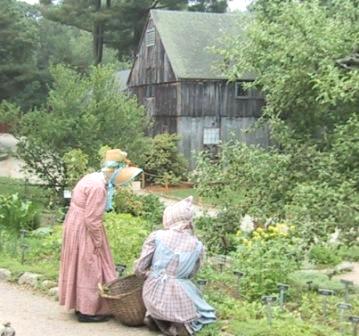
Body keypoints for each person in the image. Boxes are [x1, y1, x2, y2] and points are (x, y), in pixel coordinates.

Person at [59, 149, 142, 322]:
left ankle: (80, 305)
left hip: (75, 223)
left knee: (81, 264)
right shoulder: (98, 187)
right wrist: (98, 241)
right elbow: (91, 219)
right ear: (116, 171)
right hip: (84, 227)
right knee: (91, 265)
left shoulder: (91, 177)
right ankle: (88, 311)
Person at [135, 196, 216, 335]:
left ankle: (156, 319)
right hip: (179, 291)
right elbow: (191, 273)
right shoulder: (197, 245)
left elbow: (140, 267)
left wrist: (146, 274)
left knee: (157, 301)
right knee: (200, 307)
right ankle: (176, 325)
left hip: (152, 291)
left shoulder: (157, 236)